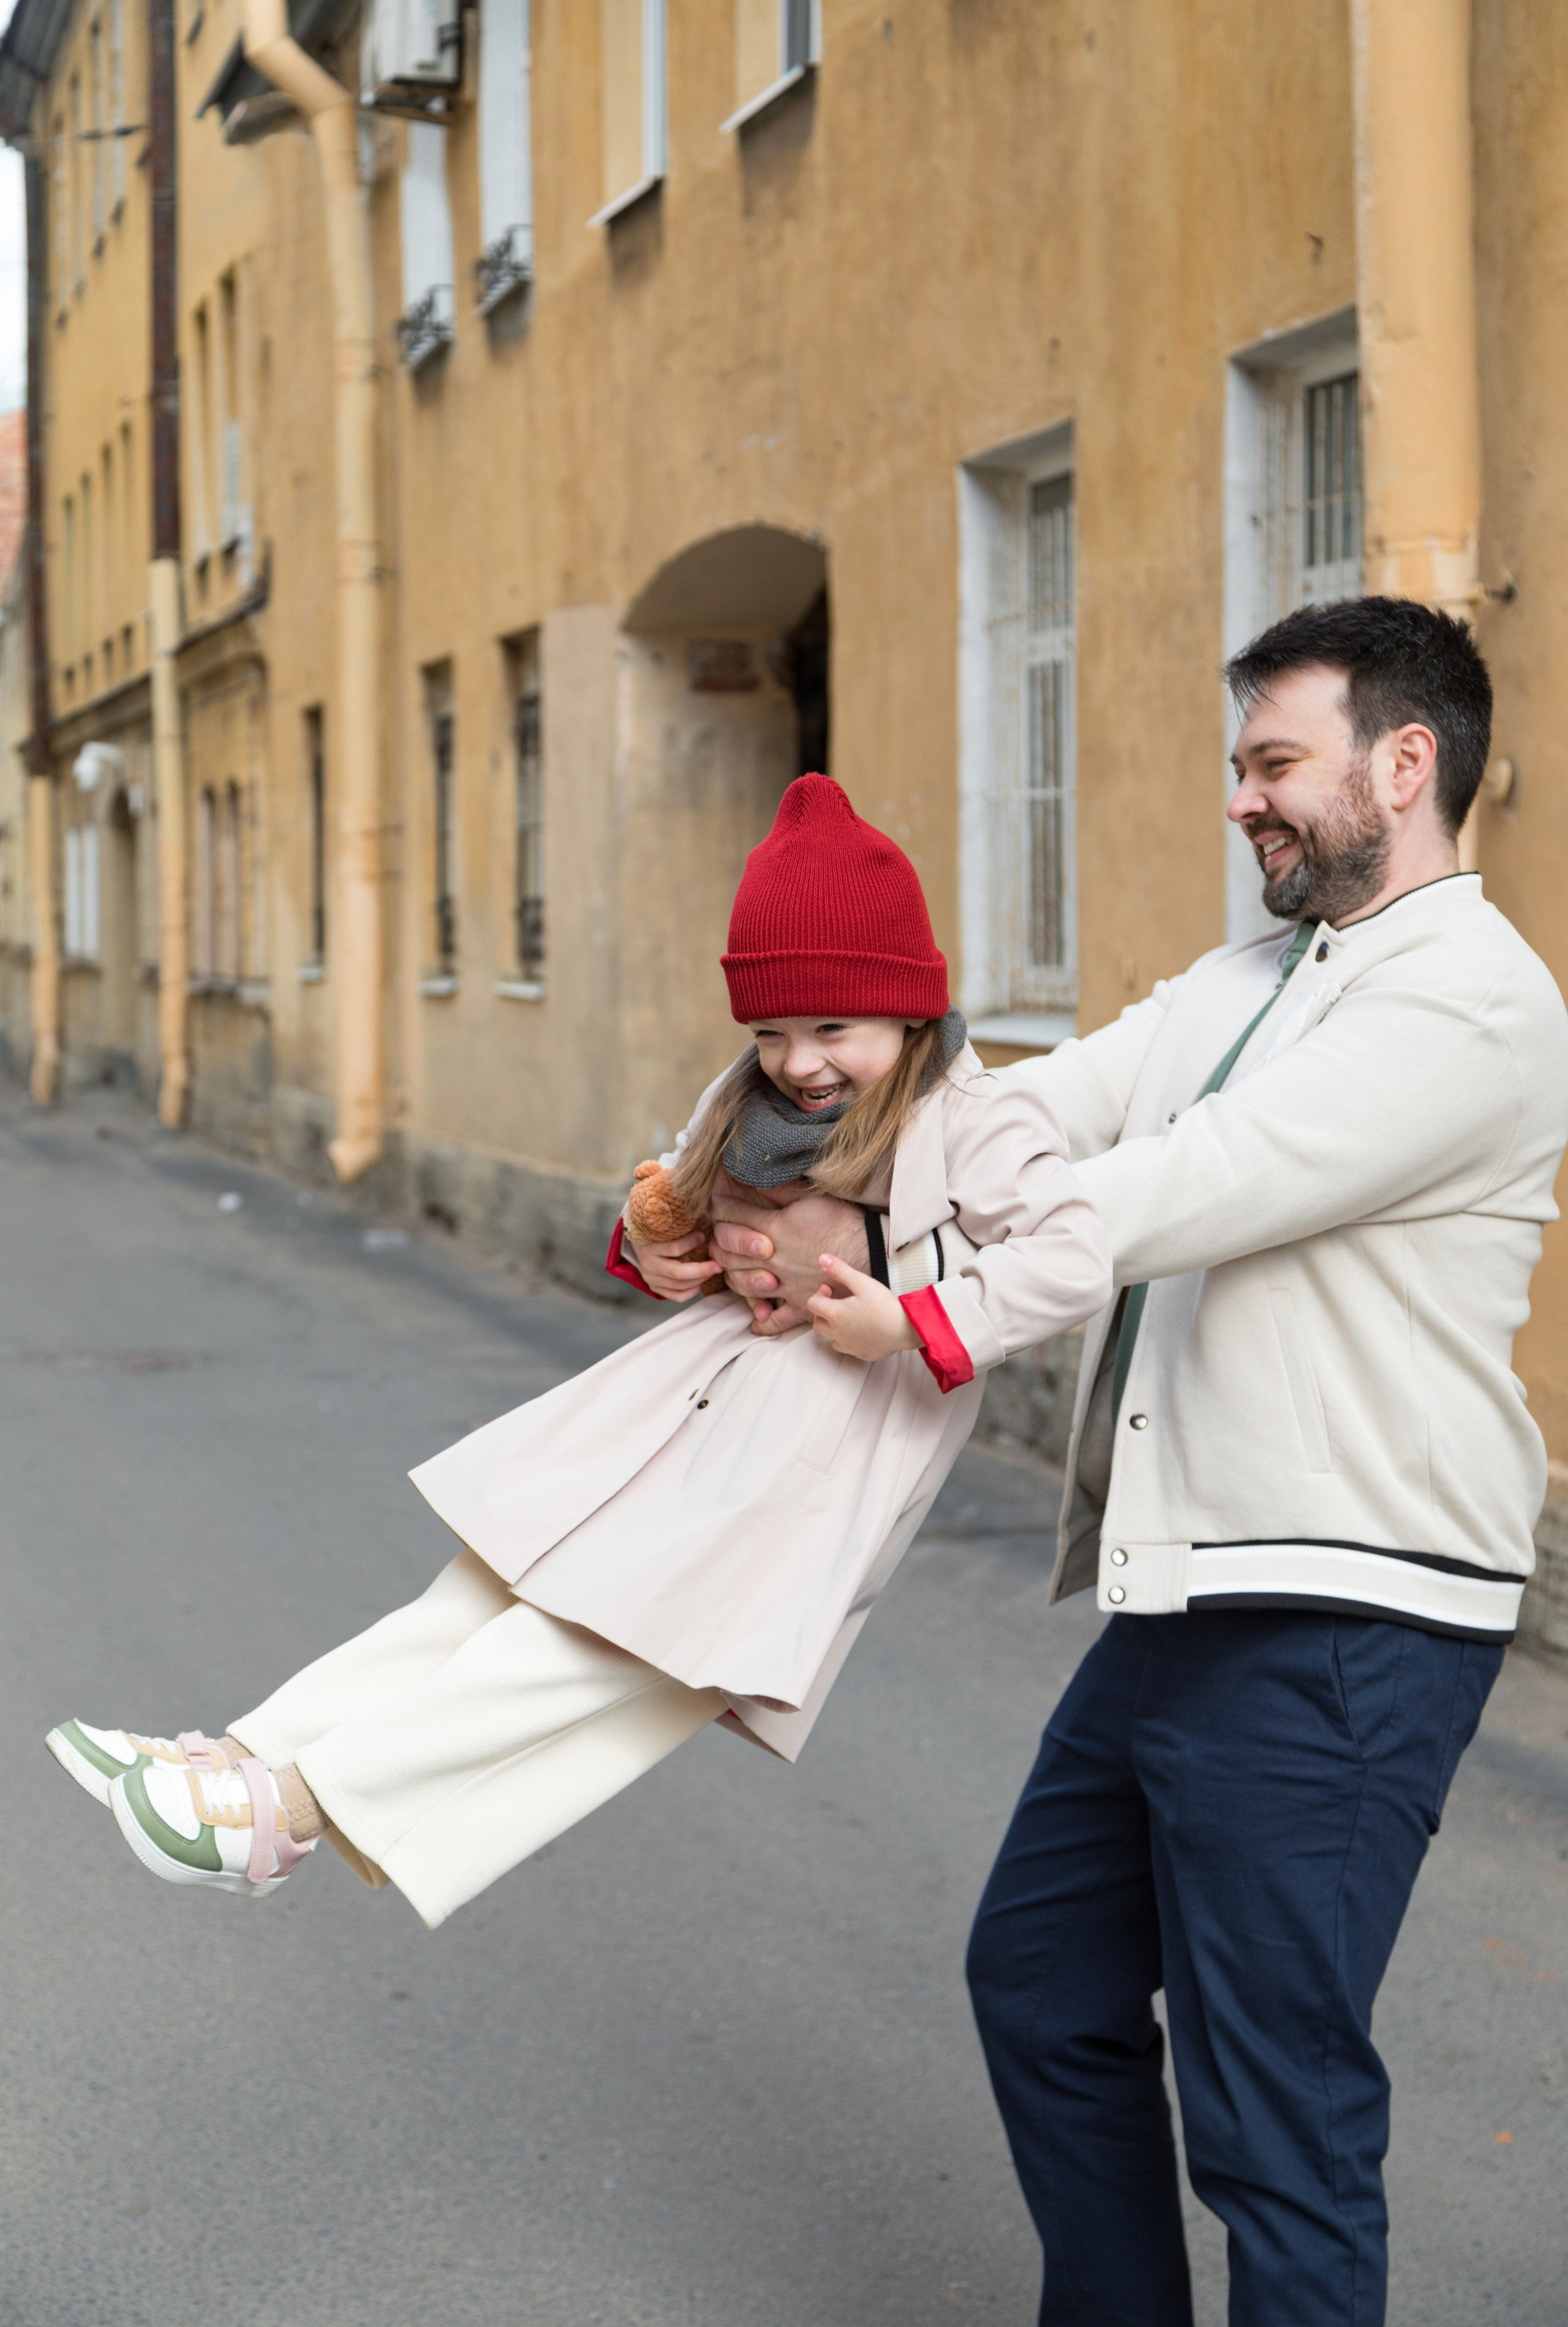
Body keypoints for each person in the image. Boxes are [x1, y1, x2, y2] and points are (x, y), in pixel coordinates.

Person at [706, 597, 1568, 2327]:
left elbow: (1186, 1187)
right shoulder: (1256, 976)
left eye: (1273, 764)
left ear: (1403, 767)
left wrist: (935, 1303)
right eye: (1238, 766)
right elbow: (1025, 1114)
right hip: (1193, 1585)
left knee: (1274, 2115)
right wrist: (750, 1172)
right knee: (1043, 1982)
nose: (1240, 800)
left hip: (1344, 1608)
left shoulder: (1473, 1003)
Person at [46, 776, 1110, 1932]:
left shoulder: (979, 1116)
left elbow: (1072, 1258)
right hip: (693, 1403)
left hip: (816, 1452)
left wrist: (908, 1315)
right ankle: (242, 1764)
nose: (800, 1062)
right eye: (772, 1029)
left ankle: (292, 1809)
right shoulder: (745, 1095)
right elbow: (672, 1199)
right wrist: (663, 1250)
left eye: (832, 1029)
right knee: (484, 1591)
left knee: (575, 1647)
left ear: (908, 1011)